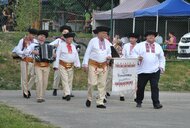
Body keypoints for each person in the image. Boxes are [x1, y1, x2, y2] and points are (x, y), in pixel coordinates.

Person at [132, 31, 165, 109]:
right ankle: (139, 101)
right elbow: (133, 53)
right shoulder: (140, 45)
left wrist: (161, 67)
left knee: (155, 87)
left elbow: (161, 57)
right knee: (141, 87)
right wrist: (137, 57)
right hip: (143, 70)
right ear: (146, 37)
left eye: (153, 36)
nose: (151, 37)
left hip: (155, 70)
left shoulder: (158, 46)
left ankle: (156, 103)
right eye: (149, 36)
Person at [83, 26, 112, 109]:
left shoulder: (108, 42)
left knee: (102, 84)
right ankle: (89, 98)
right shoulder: (93, 41)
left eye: (106, 33)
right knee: (92, 83)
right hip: (93, 65)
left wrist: (109, 56)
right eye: (103, 33)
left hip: (104, 65)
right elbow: (87, 52)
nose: (105, 34)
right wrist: (85, 64)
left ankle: (100, 102)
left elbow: (110, 52)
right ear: (98, 33)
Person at [54, 32, 80, 101]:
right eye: (69, 39)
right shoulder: (61, 45)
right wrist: (56, 65)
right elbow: (57, 56)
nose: (71, 40)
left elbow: (76, 56)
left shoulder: (73, 46)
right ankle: (67, 94)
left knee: (69, 80)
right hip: (62, 65)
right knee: (64, 79)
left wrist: (77, 64)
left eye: (72, 39)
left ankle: (66, 94)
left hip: (71, 65)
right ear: (66, 39)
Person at [50, 25, 72, 96]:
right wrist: (53, 50)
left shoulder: (70, 42)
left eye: (67, 32)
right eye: (64, 32)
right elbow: (49, 46)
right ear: (62, 33)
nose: (65, 33)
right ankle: (55, 89)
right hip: (58, 61)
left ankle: (68, 92)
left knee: (69, 77)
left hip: (67, 61)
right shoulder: (58, 40)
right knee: (57, 75)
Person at [15, 28, 38, 98]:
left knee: (34, 75)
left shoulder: (35, 41)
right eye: (32, 35)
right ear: (29, 34)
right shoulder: (22, 40)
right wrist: (25, 53)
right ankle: (25, 92)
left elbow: (37, 50)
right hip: (25, 60)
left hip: (33, 60)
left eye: (34, 35)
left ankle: (27, 89)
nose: (33, 37)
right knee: (25, 77)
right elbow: (17, 50)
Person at [30, 30, 50, 103]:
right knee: (39, 80)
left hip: (46, 65)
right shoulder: (33, 45)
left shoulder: (49, 45)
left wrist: (53, 55)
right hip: (38, 65)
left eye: (44, 36)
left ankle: (42, 95)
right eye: (41, 35)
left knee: (45, 82)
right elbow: (27, 50)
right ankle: (39, 97)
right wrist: (33, 52)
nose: (42, 37)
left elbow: (53, 55)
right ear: (38, 36)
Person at [120, 33, 139, 101]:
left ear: (136, 39)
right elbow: (123, 55)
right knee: (124, 79)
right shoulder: (126, 45)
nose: (131, 39)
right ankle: (122, 94)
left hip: (136, 65)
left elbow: (140, 56)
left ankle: (135, 96)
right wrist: (122, 62)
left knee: (135, 80)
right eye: (130, 38)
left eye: (133, 38)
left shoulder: (139, 46)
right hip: (126, 65)